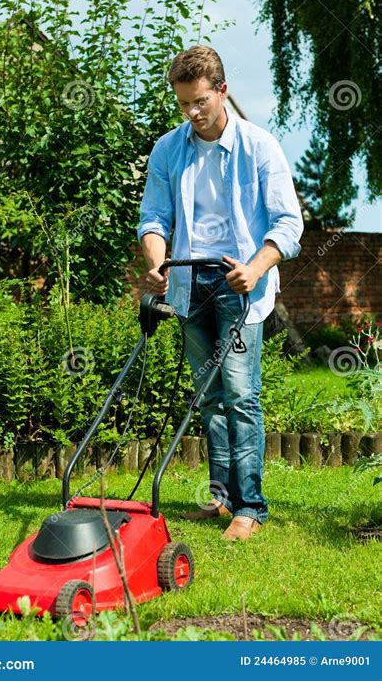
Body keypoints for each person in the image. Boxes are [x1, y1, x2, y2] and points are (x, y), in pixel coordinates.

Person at [137, 45, 304, 542]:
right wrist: (155, 263)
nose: (191, 112)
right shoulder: (168, 149)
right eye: (183, 102)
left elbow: (288, 224)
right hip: (189, 281)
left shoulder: (260, 147)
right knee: (207, 397)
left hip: (238, 283)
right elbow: (153, 218)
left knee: (240, 394)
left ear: (223, 91)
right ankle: (221, 496)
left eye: (200, 102)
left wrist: (255, 269)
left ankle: (250, 506)